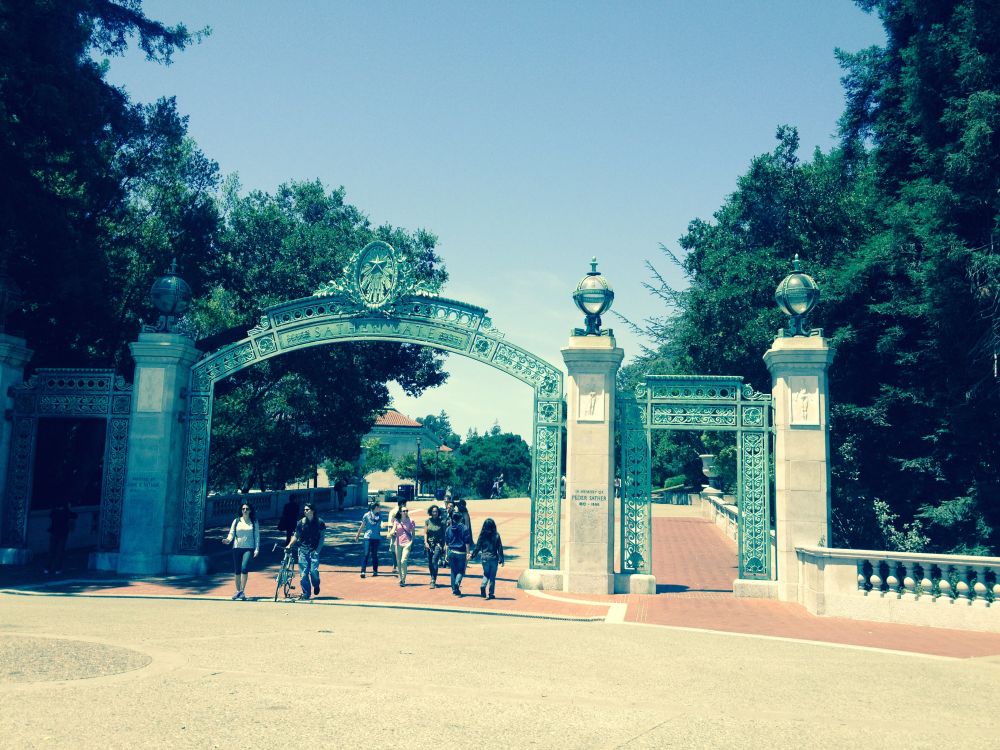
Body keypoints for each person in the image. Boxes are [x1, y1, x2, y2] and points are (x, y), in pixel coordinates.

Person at [287, 502, 325, 601]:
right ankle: (306, 593)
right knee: (303, 574)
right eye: (304, 510)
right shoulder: (301, 522)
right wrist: (290, 544)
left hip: (314, 551)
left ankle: (316, 584)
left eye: (307, 509)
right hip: (303, 551)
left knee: (313, 572)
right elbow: (296, 535)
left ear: (313, 511)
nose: (305, 511)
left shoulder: (320, 522)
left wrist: (317, 551)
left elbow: (322, 538)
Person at [223, 501, 259, 600]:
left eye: (247, 509)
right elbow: (231, 533)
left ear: (250, 510)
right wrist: (228, 540)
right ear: (241, 510)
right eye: (243, 509)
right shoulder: (236, 521)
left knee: (244, 568)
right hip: (237, 548)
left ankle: (242, 591)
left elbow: (257, 536)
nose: (245, 510)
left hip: (249, 548)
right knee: (237, 570)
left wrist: (257, 549)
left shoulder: (254, 522)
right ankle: (238, 591)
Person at [469, 518, 505, 599]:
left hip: (484, 558)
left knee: (486, 574)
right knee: (492, 576)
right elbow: (500, 548)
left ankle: (483, 585)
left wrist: (472, 556)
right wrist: (501, 559)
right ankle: (491, 594)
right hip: (493, 558)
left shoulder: (482, 535)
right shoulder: (496, 535)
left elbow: (477, 547)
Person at [45, 500, 77, 574]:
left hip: (53, 533)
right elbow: (75, 516)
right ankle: (57, 569)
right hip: (63, 534)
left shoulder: (54, 512)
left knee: (51, 551)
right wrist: (69, 509)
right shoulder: (66, 512)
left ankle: (47, 568)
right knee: (60, 552)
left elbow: (50, 517)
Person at [444, 510, 473, 596]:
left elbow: (446, 543)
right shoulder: (464, 528)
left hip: (451, 552)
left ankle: (454, 589)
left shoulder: (448, 529)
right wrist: (468, 553)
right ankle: (457, 583)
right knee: (461, 570)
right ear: (460, 519)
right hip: (461, 553)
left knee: (453, 571)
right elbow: (467, 542)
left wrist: (446, 554)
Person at [387, 505, 416, 586]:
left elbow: (413, 534)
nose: (405, 512)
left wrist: (412, 543)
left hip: (407, 543)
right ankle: (401, 578)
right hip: (398, 543)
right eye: (404, 511)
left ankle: (403, 579)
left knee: (403, 560)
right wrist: (390, 533)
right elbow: (393, 529)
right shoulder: (397, 521)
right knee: (399, 562)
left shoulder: (411, 521)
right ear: (400, 512)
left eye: (407, 511)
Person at [354, 501, 382, 578]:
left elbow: (380, 525)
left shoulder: (379, 516)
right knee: (366, 554)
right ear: (376, 507)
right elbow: (362, 526)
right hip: (367, 537)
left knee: (374, 555)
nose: (380, 508)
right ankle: (363, 571)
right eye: (379, 507)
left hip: (376, 538)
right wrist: (357, 535)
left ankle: (375, 571)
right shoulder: (366, 515)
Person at [423, 504, 447, 589]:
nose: (435, 513)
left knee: (434, 561)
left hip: (438, 544)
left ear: (438, 512)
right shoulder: (427, 521)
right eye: (433, 511)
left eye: (436, 511)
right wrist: (425, 542)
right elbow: (425, 533)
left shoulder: (442, 522)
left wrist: (445, 545)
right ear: (431, 512)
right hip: (429, 544)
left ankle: (433, 580)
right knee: (430, 563)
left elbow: (445, 534)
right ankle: (432, 576)